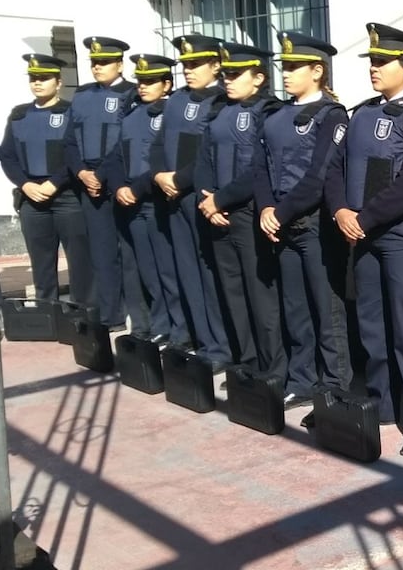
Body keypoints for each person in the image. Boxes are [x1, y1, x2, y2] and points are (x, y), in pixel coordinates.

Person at [326, 23, 403, 457]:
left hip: (400, 235)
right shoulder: (360, 113)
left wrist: (364, 215)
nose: (374, 69)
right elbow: (335, 167)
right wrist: (341, 210)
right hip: (361, 232)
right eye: (373, 62)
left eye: (383, 62)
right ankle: (380, 406)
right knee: (373, 326)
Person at [252, 31, 350, 410]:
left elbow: (321, 175)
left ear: (317, 71)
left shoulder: (331, 115)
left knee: (327, 311)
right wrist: (264, 208)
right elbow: (260, 166)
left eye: (295, 68)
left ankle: (334, 387)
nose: (287, 74)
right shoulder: (276, 114)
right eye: (285, 67)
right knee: (295, 309)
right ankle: (302, 380)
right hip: (280, 223)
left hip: (314, 224)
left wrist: (280, 211)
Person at [197, 41, 287, 382]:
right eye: (226, 75)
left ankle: (273, 369)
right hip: (217, 214)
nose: (228, 81)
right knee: (232, 294)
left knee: (261, 296)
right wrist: (207, 203)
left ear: (259, 77)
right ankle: (247, 362)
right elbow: (204, 160)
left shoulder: (269, 111)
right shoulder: (219, 109)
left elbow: (262, 169)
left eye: (236, 75)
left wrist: (221, 199)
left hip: (249, 213)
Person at [148, 34, 230, 364]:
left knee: (209, 277)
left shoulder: (222, 100)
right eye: (185, 65)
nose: (189, 71)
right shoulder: (177, 100)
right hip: (172, 198)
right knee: (186, 274)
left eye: (196, 64)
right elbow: (157, 144)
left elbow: (208, 155)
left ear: (216, 65)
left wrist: (179, 180)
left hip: (200, 196)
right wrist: (158, 175)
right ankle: (202, 341)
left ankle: (221, 348)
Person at [99, 54, 187, 347]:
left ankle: (181, 330)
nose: (143, 86)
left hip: (156, 200)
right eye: (140, 81)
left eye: (151, 81)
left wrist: (136, 188)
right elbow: (116, 156)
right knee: (149, 271)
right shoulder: (132, 115)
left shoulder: (172, 113)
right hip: (132, 203)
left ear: (167, 84)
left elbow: (162, 161)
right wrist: (119, 186)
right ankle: (161, 325)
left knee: (168, 271)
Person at [0, 54, 94, 305]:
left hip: (66, 195)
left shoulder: (71, 113)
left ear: (59, 82)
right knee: (41, 262)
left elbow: (76, 153)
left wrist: (55, 182)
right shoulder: (19, 115)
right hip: (31, 197)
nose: (37, 83)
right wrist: (25, 184)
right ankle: (47, 311)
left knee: (79, 260)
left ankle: (81, 313)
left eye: (44, 78)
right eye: (33, 78)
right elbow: (7, 155)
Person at [64, 36, 141, 332]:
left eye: (104, 62)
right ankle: (112, 316)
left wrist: (102, 174)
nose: (97, 67)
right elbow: (70, 141)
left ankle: (141, 320)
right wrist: (83, 173)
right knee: (103, 253)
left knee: (132, 254)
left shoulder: (132, 94)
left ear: (119, 64)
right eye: (94, 62)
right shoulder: (82, 96)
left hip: (121, 179)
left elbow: (127, 141)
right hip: (89, 182)